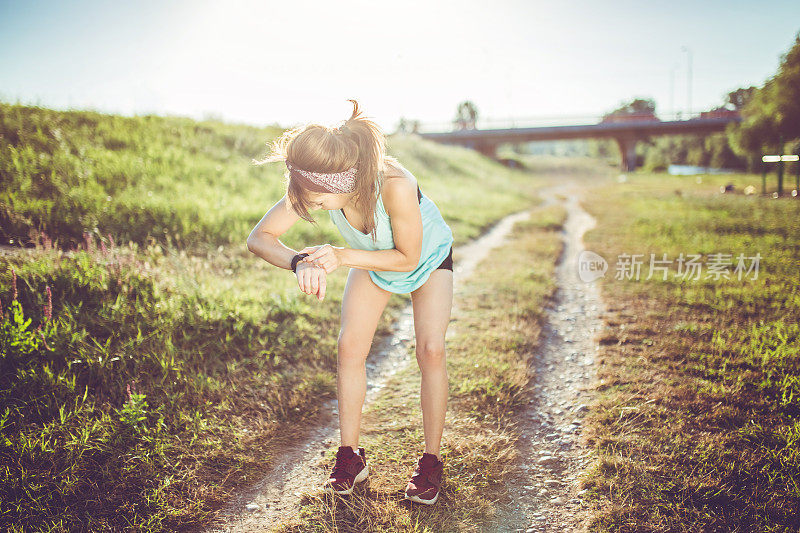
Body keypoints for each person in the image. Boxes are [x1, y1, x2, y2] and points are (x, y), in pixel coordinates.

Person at [246, 99, 454, 505]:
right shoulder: (313, 184)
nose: (311, 207)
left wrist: (340, 255)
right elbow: (259, 238)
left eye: (320, 201)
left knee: (431, 350)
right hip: (371, 260)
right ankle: (350, 457)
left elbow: (408, 257)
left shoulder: (395, 183)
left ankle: (430, 462)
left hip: (426, 260)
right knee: (348, 348)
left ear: (343, 183)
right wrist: (298, 262)